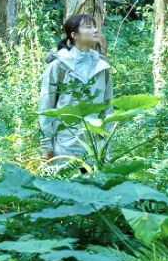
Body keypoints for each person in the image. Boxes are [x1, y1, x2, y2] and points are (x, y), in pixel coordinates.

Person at [38, 14, 114, 166]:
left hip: (94, 144)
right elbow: (46, 107)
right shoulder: (58, 66)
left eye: (95, 26)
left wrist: (107, 144)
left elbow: (108, 107)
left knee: (89, 179)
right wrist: (46, 146)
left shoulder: (101, 66)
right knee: (67, 180)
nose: (95, 30)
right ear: (74, 35)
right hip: (65, 144)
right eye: (88, 27)